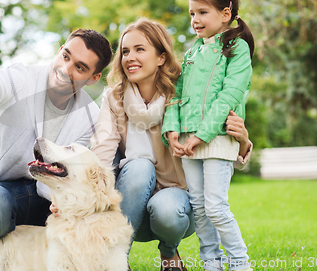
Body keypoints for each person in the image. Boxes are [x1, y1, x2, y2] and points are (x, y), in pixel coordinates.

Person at [0, 0, 112, 248]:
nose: (65, 69)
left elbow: (72, 173)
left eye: (80, 67)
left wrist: (62, 199)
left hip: (48, 201)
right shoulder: (19, 78)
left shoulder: (90, 117)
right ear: (60, 50)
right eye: (66, 56)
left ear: (93, 78)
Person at [90, 18, 252, 271]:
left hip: (177, 208)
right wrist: (88, 196)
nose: (130, 57)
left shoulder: (185, 93)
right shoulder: (114, 98)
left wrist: (243, 141)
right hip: (128, 205)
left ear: (161, 58)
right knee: (140, 166)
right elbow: (101, 152)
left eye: (140, 49)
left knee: (167, 209)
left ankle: (169, 252)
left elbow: (218, 145)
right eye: (125, 51)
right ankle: (116, 261)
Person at [162, 0, 255, 271]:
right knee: (200, 209)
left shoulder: (237, 49)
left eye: (202, 12)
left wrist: (202, 135)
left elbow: (230, 94)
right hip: (189, 141)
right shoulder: (191, 54)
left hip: (217, 138)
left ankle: (240, 263)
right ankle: (211, 264)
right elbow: (175, 96)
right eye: (192, 14)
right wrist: (172, 131)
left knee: (215, 206)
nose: (195, 20)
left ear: (225, 13)